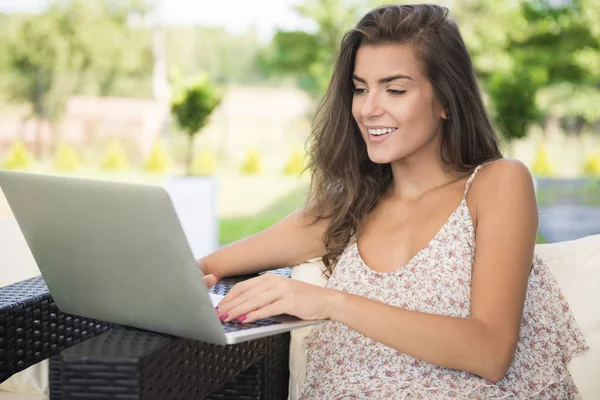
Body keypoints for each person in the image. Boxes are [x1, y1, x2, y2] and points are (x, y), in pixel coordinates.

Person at [199, 4, 588, 399]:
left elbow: (489, 350)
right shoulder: (347, 208)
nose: (369, 109)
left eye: (395, 90)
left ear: (446, 101)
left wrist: (330, 303)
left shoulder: (498, 184)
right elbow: (210, 267)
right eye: (361, 88)